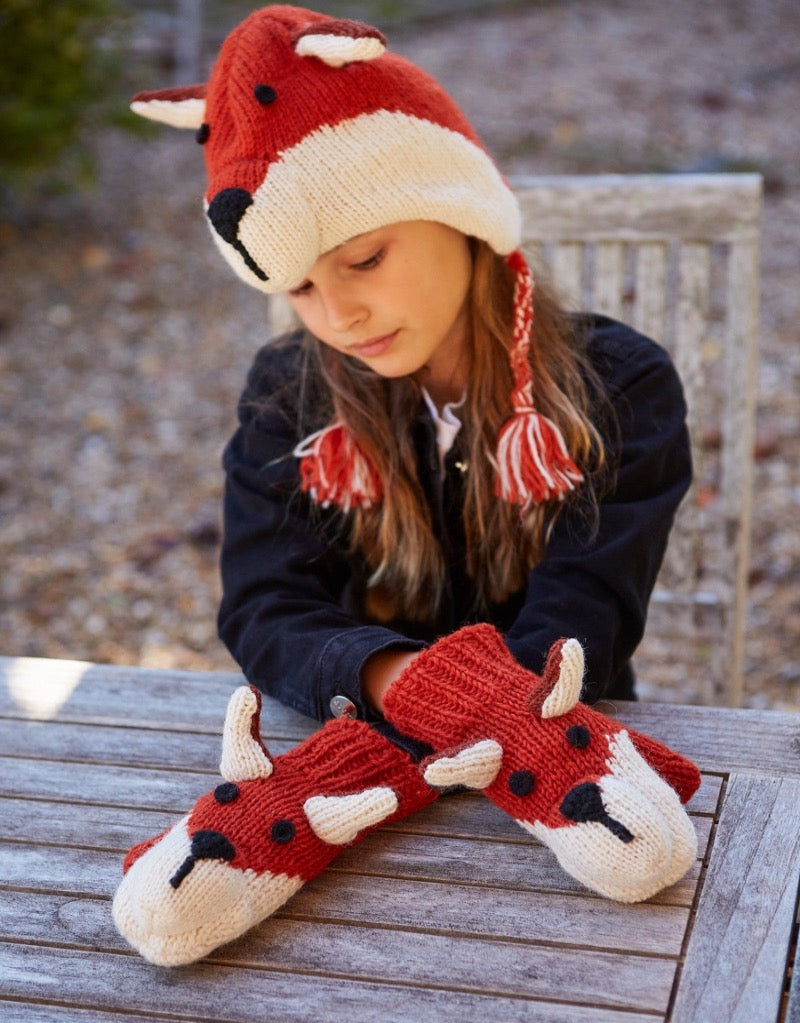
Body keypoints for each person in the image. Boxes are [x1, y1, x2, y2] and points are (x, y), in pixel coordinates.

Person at [118, 6, 700, 965]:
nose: (337, 313)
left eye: (363, 259)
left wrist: (457, 715)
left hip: (553, 755)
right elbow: (265, 605)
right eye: (299, 288)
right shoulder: (288, 393)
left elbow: (582, 619)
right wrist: (404, 680)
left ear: (460, 216)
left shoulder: (618, 386)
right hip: (352, 735)